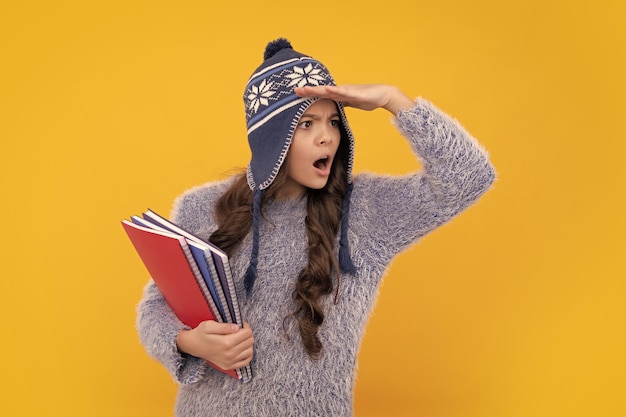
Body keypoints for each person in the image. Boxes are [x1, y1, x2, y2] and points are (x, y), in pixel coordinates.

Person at [136, 38, 496, 417]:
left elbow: (469, 176)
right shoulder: (201, 208)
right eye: (307, 123)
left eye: (334, 121)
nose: (327, 136)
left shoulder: (367, 213)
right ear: (271, 139)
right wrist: (190, 341)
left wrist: (394, 101)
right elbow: (156, 307)